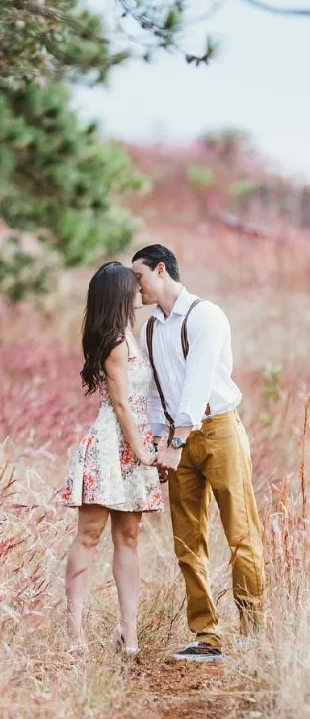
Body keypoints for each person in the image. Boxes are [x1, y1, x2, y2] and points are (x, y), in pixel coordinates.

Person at [132, 244, 265, 663]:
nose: (135, 287)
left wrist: (175, 441)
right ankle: (207, 635)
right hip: (175, 441)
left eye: (139, 277)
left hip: (218, 430)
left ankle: (253, 632)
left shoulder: (205, 315)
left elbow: (198, 381)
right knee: (187, 539)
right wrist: (159, 443)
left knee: (240, 532)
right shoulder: (150, 328)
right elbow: (155, 392)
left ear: (160, 269)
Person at [62, 262, 163, 654]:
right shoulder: (116, 342)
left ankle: (129, 633)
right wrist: (142, 452)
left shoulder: (130, 335)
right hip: (111, 445)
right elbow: (120, 403)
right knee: (88, 535)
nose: (139, 289)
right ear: (119, 295)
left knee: (129, 537)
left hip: (132, 442)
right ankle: (75, 635)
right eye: (132, 285)